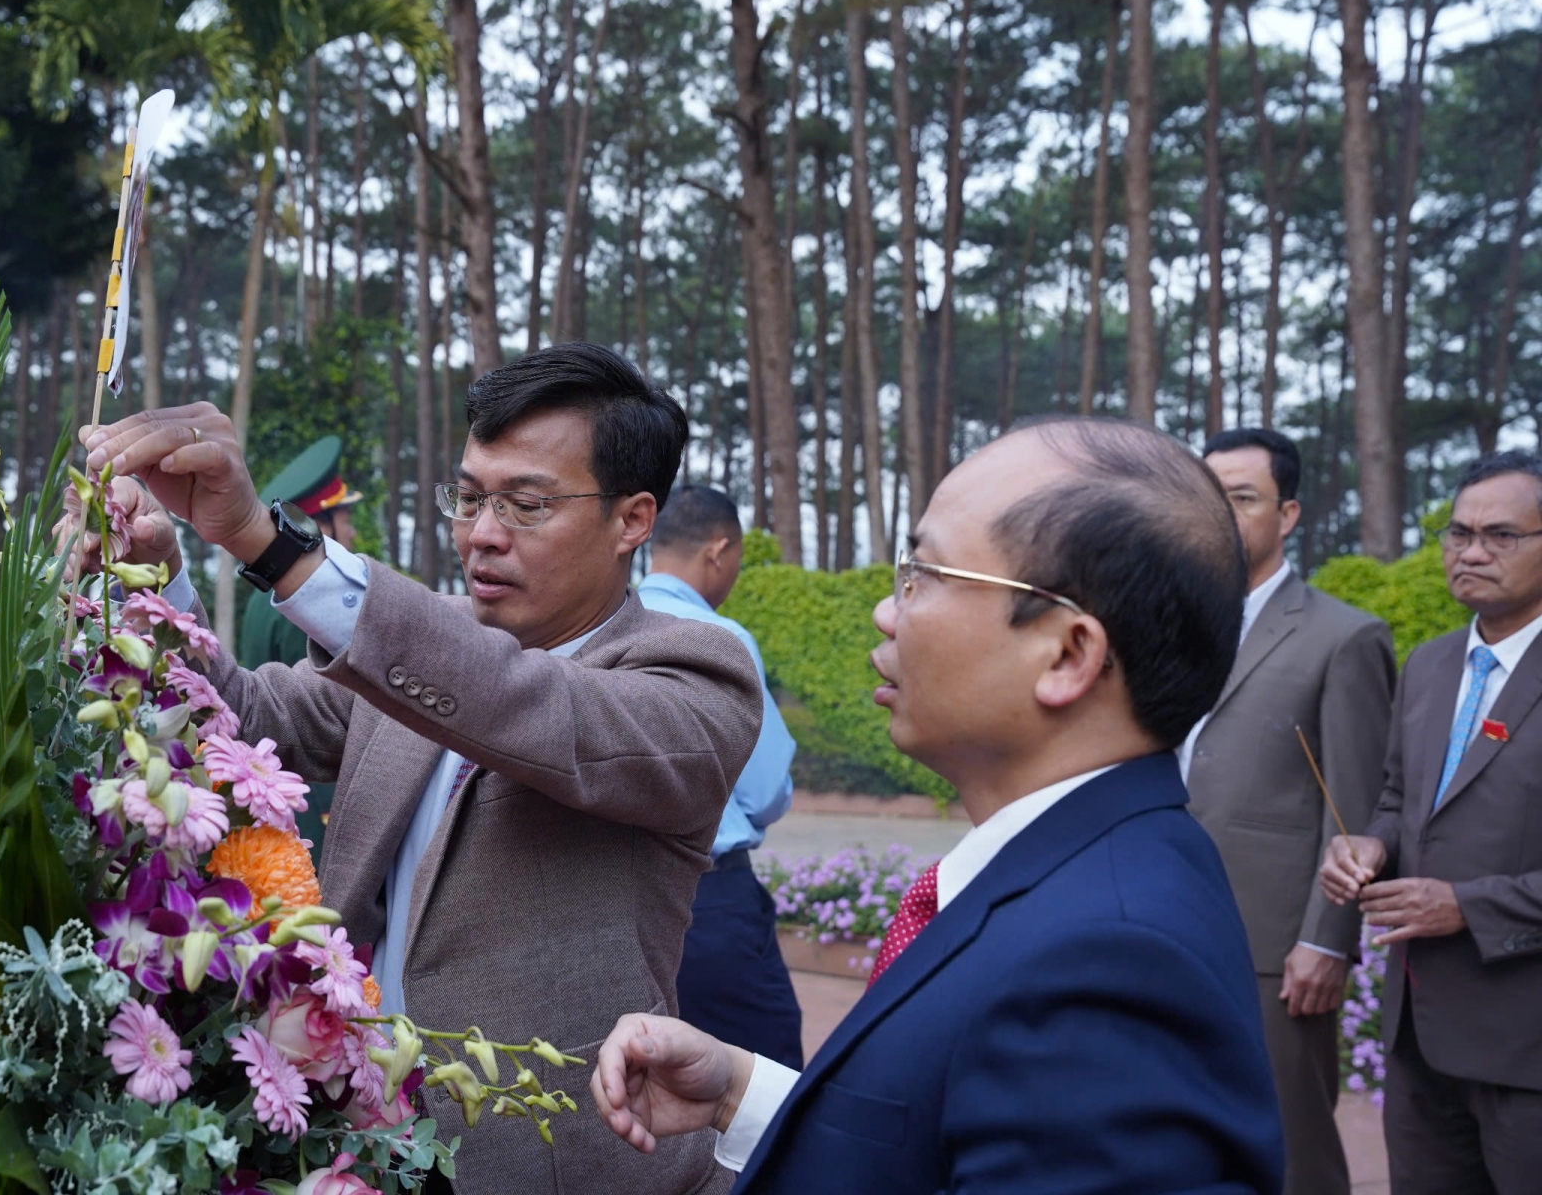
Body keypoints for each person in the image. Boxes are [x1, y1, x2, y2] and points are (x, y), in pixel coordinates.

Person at [74, 344, 761, 1195]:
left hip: (556, 1166)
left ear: (633, 519)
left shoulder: (695, 674)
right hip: (356, 1147)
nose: (482, 535)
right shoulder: (420, 646)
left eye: (527, 505)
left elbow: (528, 707)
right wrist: (155, 582)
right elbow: (246, 720)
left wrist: (265, 538)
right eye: (469, 497)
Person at [591, 418, 1284, 1195]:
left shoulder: (1108, 965)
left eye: (926, 575)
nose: (888, 613)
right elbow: (943, 1132)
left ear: (1067, 654)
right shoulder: (1071, 877)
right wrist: (735, 1093)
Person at [1321, 450, 1542, 1195]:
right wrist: (1368, 844)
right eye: (1459, 532)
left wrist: (1468, 906)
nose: (1471, 551)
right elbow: (1396, 797)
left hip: (1528, 1046)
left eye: (1502, 535)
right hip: (1417, 1038)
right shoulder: (1430, 665)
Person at [1183, 428, 1396, 1195]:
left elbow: (1359, 807)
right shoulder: (1167, 624)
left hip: (1276, 946)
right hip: (1167, 919)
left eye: (1241, 498)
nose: (1220, 515)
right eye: (1208, 498)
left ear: (1290, 513)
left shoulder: (1345, 637)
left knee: (1291, 1144)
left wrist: (1327, 940)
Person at [638, 486, 802, 1068]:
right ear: (718, 550)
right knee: (764, 1065)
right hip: (710, 899)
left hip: (615, 899)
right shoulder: (723, 639)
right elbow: (762, 792)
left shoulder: (604, 630)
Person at [239, 436, 363, 668]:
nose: (352, 532)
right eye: (346, 522)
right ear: (319, 527)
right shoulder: (308, 597)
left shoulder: (263, 595)